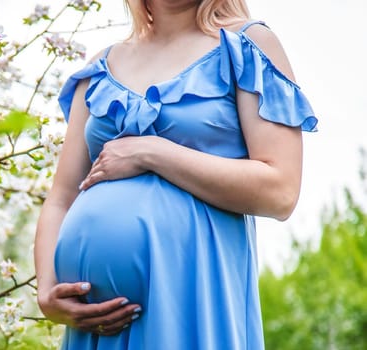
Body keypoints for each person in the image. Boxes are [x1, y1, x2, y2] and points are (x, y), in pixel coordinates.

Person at [34, 0, 317, 348]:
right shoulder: (100, 67)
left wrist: (152, 152)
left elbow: (280, 191)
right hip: (96, 325)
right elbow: (62, 198)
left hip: (193, 304)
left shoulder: (245, 45)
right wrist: (47, 290)